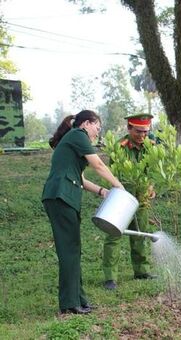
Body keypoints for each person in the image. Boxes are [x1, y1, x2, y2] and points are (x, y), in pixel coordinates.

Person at [42, 110, 124, 315]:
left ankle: (78, 299)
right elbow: (98, 164)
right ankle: (69, 304)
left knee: (73, 248)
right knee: (69, 249)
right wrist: (118, 186)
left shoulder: (72, 140)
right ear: (86, 123)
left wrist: (102, 190)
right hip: (60, 196)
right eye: (98, 127)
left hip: (63, 197)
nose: (98, 132)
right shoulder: (78, 135)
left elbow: (81, 178)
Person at [102, 114, 157, 291]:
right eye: (138, 131)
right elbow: (111, 173)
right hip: (121, 195)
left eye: (145, 132)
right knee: (114, 234)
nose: (142, 135)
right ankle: (110, 277)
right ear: (129, 128)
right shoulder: (119, 147)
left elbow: (153, 169)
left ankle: (142, 271)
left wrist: (151, 186)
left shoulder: (151, 146)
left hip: (141, 196)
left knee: (140, 233)